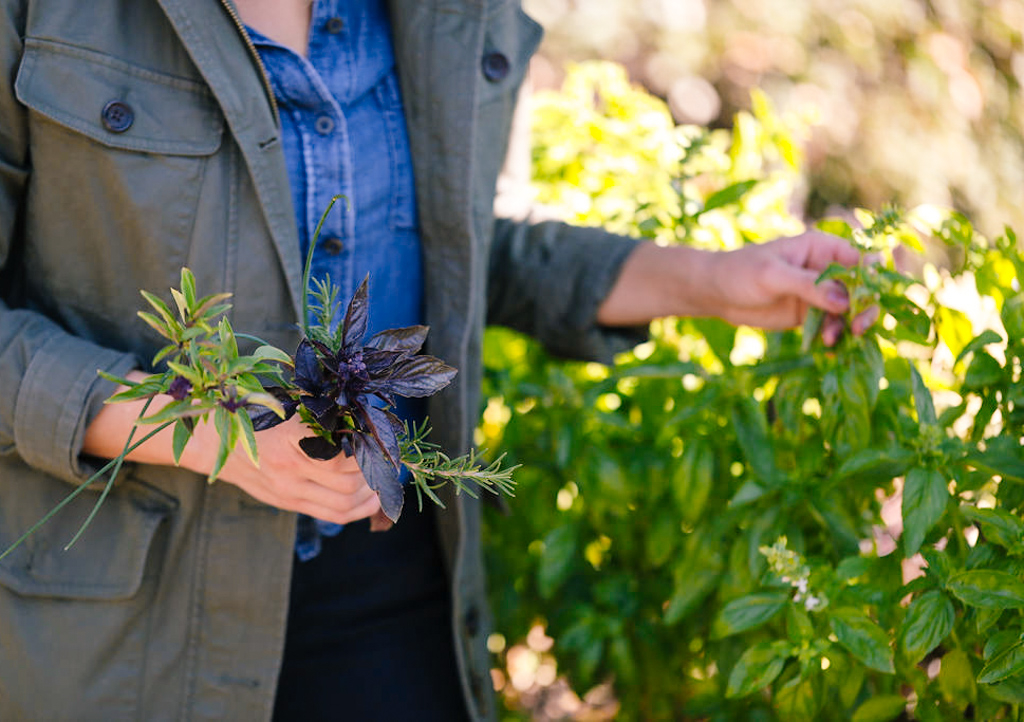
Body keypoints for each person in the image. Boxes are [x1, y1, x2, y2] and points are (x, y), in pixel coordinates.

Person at [0, 0, 871, 720]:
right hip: (125, 628)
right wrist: (209, 434)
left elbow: (460, 250)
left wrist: (715, 281)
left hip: (392, 594)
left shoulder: (443, 15)